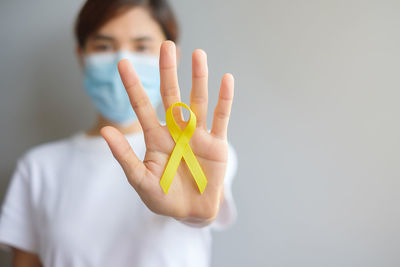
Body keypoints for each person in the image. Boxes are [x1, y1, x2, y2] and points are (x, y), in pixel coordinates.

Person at [0, 0, 237, 266]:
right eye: (103, 46)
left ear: (171, 57)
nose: (123, 62)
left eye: (142, 46)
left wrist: (196, 214)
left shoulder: (199, 156)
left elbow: (203, 211)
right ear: (81, 55)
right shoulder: (38, 168)